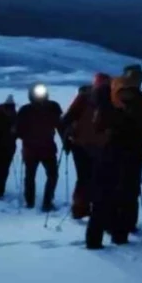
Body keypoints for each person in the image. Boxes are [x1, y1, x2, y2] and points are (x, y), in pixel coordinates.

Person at [86, 76, 142, 249]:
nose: (127, 95)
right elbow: (96, 130)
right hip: (107, 158)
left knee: (127, 197)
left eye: (130, 92)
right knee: (102, 199)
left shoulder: (140, 106)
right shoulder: (106, 106)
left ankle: (120, 234)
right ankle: (94, 239)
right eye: (123, 92)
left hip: (131, 159)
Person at [61, 74, 111, 219]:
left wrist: (68, 133)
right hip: (97, 145)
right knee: (93, 178)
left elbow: (67, 118)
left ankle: (81, 208)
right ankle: (91, 209)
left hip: (82, 144)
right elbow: (68, 118)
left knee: (84, 178)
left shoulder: (85, 97)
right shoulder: (109, 99)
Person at [16, 83, 64, 211]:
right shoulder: (52, 107)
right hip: (40, 148)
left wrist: (65, 140)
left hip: (38, 148)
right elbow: (59, 125)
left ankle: (36, 202)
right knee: (42, 175)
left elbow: (59, 125)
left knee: (38, 175)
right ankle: (41, 202)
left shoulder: (27, 110)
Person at [119, 64, 142, 234]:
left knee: (130, 188)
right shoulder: (117, 98)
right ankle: (121, 222)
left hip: (134, 149)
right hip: (122, 149)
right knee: (124, 187)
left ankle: (127, 222)